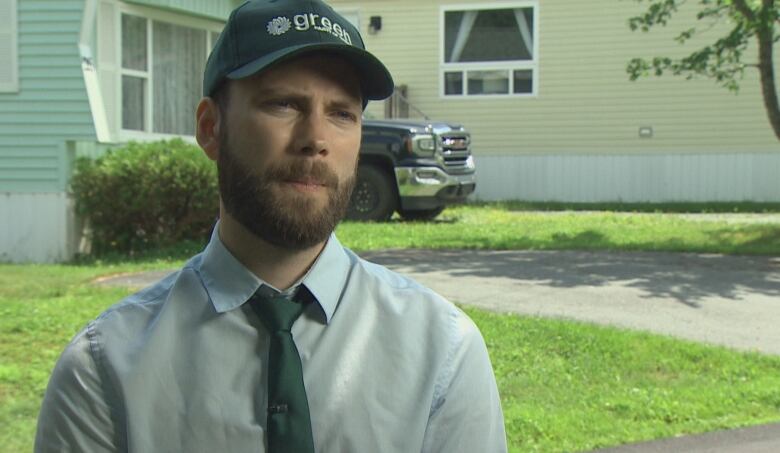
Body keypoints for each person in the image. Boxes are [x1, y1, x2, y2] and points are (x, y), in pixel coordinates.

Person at [35, 0, 507, 451]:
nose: (316, 140)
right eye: (283, 105)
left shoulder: (442, 352)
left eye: (342, 113)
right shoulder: (103, 372)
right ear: (210, 128)